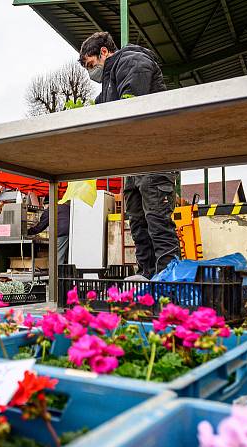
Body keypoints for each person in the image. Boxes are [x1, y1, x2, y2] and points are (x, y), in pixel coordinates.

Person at [79, 31, 179, 278]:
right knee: (137, 222)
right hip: (134, 163)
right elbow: (101, 108)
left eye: (91, 64)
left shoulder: (132, 61)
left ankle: (168, 281)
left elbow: (130, 105)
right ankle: (147, 276)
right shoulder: (110, 80)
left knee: (157, 220)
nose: (91, 72)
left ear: (104, 52)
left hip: (154, 158)